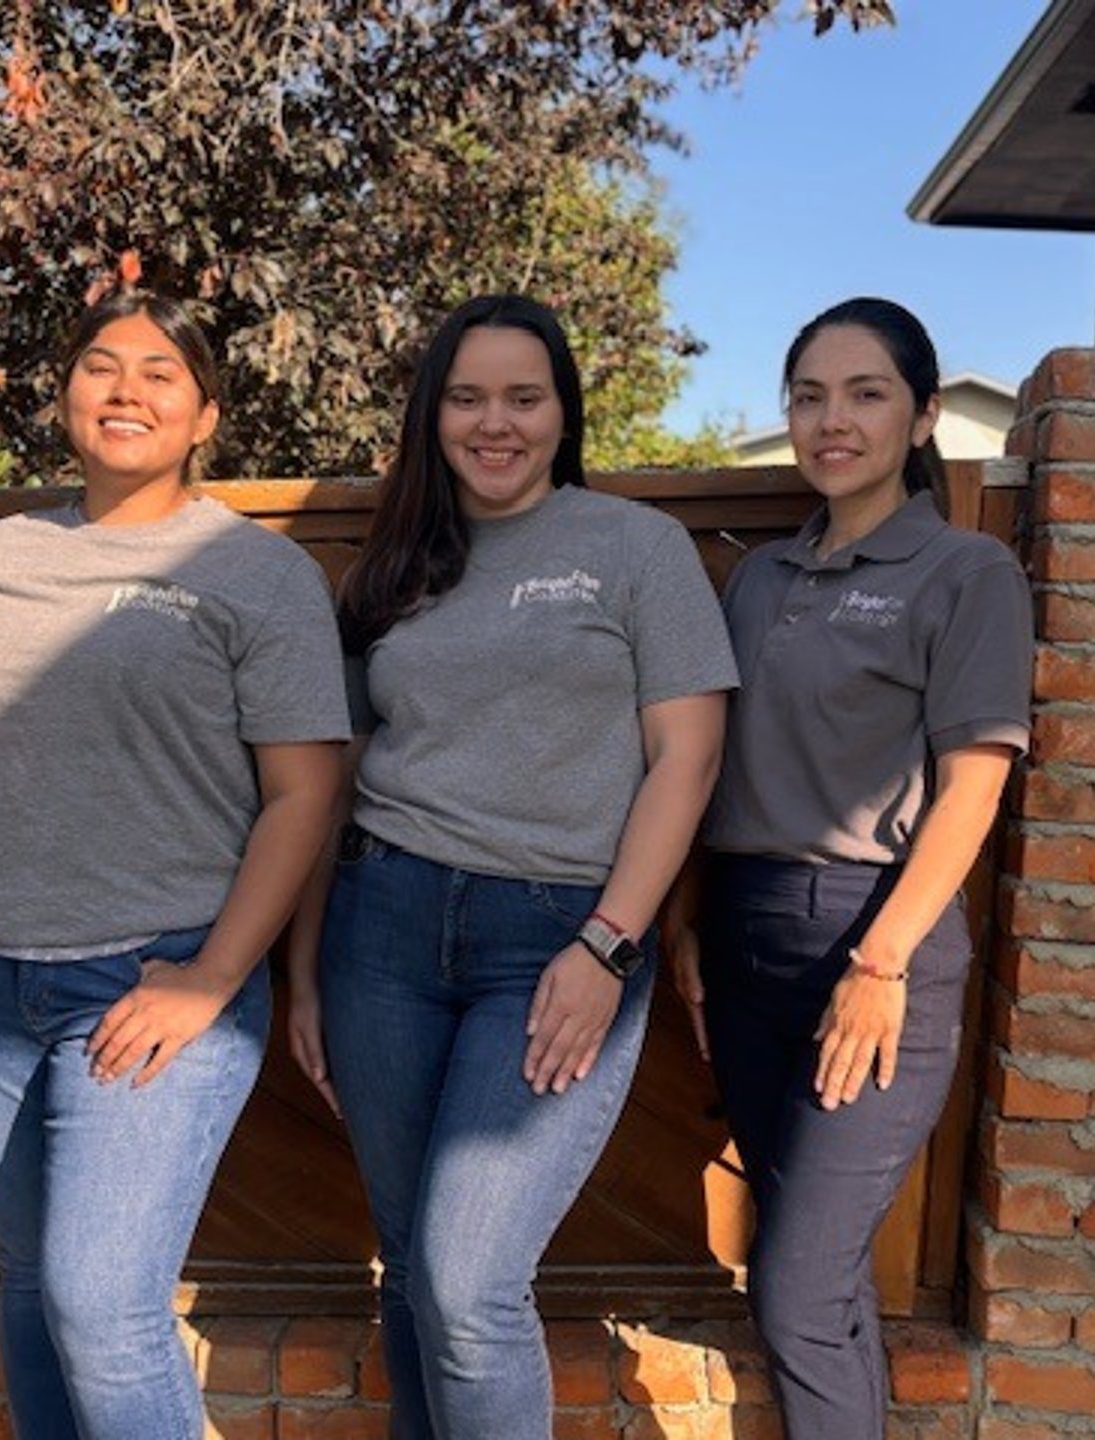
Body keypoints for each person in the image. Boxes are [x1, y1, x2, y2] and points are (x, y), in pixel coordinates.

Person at [0, 290, 349, 1440]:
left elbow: (305, 794)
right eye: (99, 366)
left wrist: (210, 977)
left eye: (159, 375)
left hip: (153, 981)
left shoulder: (256, 572)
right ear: (65, 396)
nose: (124, 389)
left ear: (204, 418)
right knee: (31, 1288)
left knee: (103, 1302)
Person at [286, 293, 736, 1440]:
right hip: (380, 930)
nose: (497, 423)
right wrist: (301, 973)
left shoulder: (636, 548)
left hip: (559, 938)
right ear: (433, 415)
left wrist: (607, 944)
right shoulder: (393, 568)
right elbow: (331, 784)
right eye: (468, 397)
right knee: (412, 1268)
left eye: (523, 398)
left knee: (470, 1282)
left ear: (561, 412)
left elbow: (686, 760)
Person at [672, 297, 1033, 1440]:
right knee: (813, 1280)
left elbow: (973, 787)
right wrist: (688, 922)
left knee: (794, 1288)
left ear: (923, 414)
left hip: (875, 944)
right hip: (743, 934)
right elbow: (708, 764)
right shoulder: (761, 579)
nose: (834, 420)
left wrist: (879, 965)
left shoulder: (964, 573)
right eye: (810, 396)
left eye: (867, 394)